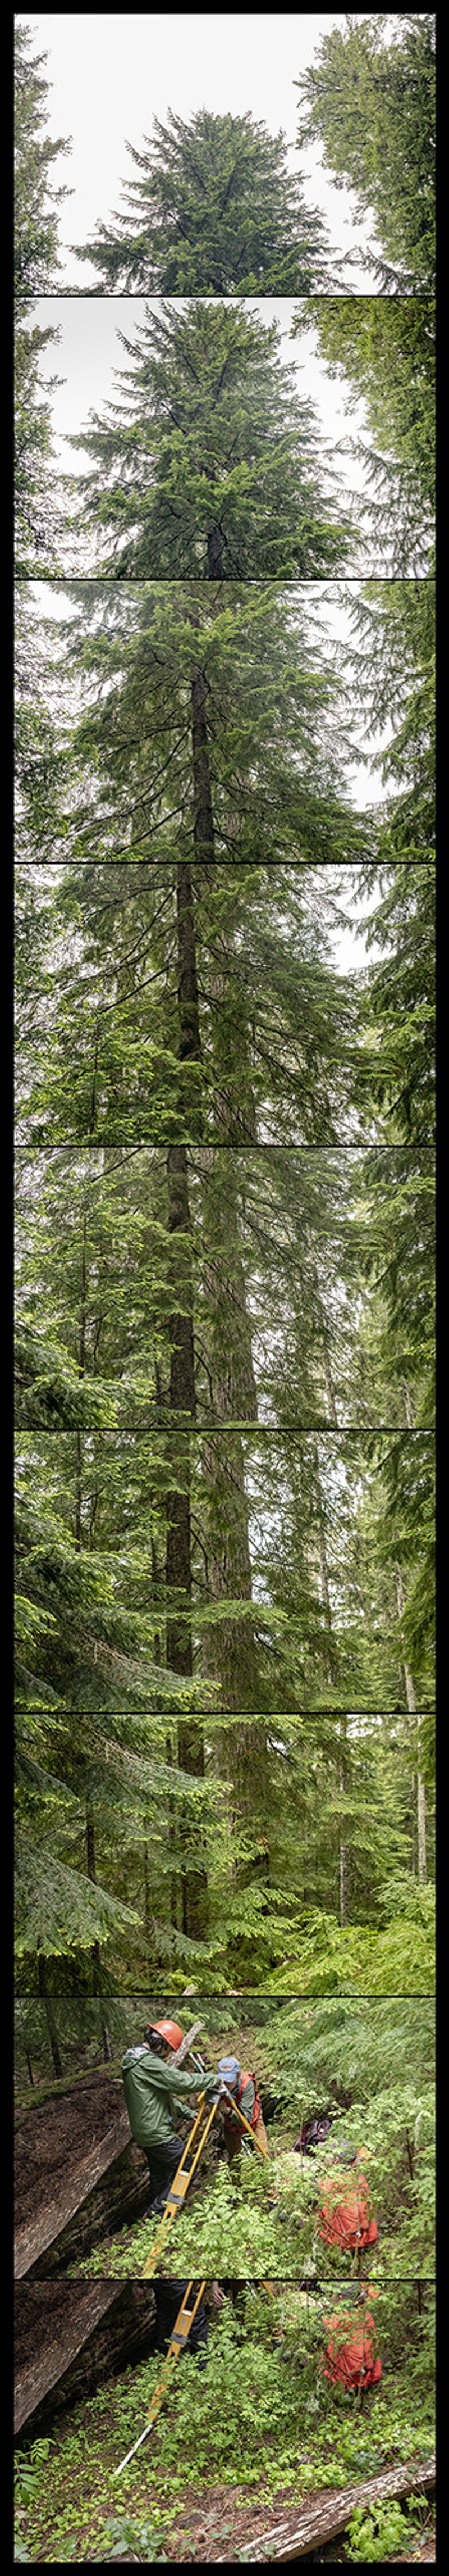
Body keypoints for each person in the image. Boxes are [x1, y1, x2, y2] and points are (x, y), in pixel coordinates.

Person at [121, 2020, 217, 2214]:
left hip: (145, 2132)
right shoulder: (147, 2062)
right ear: (162, 2043)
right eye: (170, 2050)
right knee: (188, 2170)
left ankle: (155, 2219)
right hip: (158, 2133)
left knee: (160, 2175)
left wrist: (188, 2113)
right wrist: (214, 2079)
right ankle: (154, 2215)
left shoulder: (136, 2060)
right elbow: (179, 2082)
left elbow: (161, 2098)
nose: (169, 2055)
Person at [317, 2141, 378, 2260]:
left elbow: (319, 2217)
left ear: (336, 2160)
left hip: (339, 2243)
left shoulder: (326, 2183)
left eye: (329, 2154)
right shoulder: (360, 2179)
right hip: (363, 2240)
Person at [323, 2291, 382, 2392]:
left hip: (342, 2379)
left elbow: (330, 2351)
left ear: (340, 2298)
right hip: (366, 2376)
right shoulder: (366, 2316)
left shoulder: (332, 2320)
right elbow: (372, 2348)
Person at [216, 2054, 269, 2161]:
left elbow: (247, 2117)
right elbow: (217, 2124)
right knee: (234, 2159)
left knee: (262, 2155)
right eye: (223, 2080)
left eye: (229, 2081)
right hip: (230, 2124)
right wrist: (217, 2115)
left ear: (237, 2076)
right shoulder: (216, 2087)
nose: (226, 2084)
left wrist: (229, 2112)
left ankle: (267, 2175)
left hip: (252, 2119)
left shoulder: (247, 2084)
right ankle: (235, 2178)